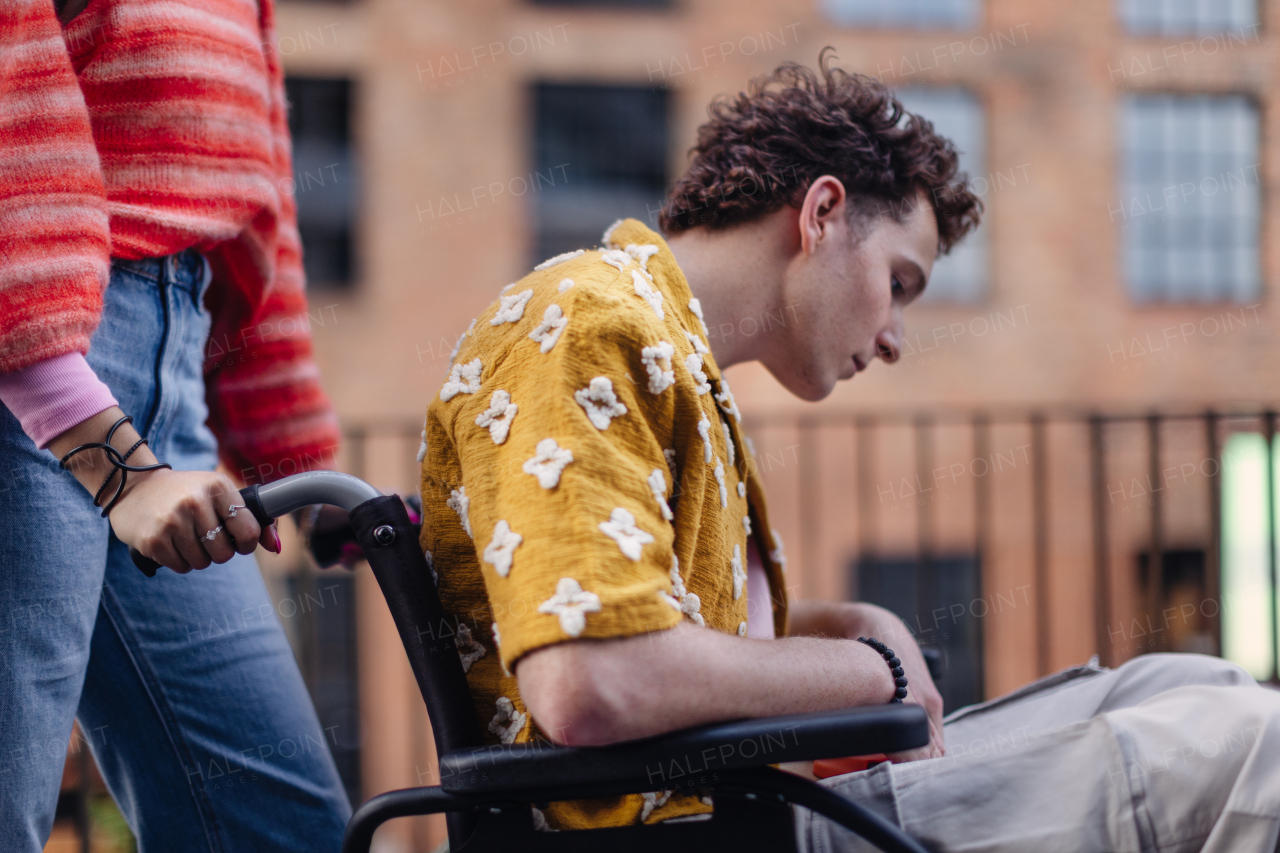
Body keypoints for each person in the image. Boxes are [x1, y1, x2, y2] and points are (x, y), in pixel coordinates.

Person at [420, 50, 1280, 850]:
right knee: (1251, 746)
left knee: (1191, 687)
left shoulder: (665, 350)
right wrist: (871, 672)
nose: (896, 336)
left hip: (762, 807)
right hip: (727, 829)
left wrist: (855, 626)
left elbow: (673, 628)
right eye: (899, 284)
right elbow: (591, 681)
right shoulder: (581, 323)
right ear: (822, 213)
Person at [0, 0, 351, 850]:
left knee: (284, 827)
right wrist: (111, 464)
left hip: (176, 378)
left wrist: (305, 468)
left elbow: (254, 211)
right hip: (32, 372)